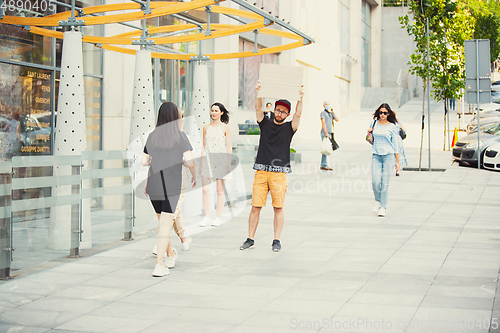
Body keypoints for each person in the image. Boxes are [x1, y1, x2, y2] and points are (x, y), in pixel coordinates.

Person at [240, 80, 304, 252]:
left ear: (287, 114)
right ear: (274, 109)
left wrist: (300, 97)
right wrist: (258, 92)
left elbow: (299, 114)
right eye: (278, 109)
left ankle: (276, 240)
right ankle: (250, 238)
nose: (279, 113)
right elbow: (257, 109)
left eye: (283, 112)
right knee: (255, 207)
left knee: (278, 207)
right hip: (261, 172)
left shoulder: (290, 127)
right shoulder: (265, 123)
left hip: (278, 174)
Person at [142, 101, 196, 277]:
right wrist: (193, 173)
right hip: (170, 185)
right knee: (165, 226)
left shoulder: (152, 136)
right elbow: (189, 161)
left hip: (153, 185)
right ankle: (159, 265)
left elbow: (144, 161)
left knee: (163, 225)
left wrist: (154, 160)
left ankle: (170, 254)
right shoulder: (180, 137)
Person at [199, 102, 232, 227]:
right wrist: (201, 161)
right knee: (205, 190)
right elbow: (203, 145)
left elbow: (228, 146)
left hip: (221, 160)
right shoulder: (206, 127)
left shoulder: (226, 128)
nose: (213, 113)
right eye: (212, 110)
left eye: (216, 111)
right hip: (207, 159)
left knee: (219, 190)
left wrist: (229, 162)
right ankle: (207, 216)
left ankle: (218, 216)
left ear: (221, 112)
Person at [367, 103, 400, 217]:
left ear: (388, 114)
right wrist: (369, 132)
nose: (382, 115)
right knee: (375, 181)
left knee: (384, 183)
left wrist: (397, 161)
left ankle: (383, 207)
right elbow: (370, 138)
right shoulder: (374, 123)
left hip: (389, 156)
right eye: (381, 112)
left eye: (385, 113)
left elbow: (395, 144)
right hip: (376, 154)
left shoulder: (392, 126)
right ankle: (377, 200)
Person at [320, 101, 339, 171]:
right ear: (324, 105)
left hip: (330, 133)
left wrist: (333, 112)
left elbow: (337, 120)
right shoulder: (323, 113)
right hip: (325, 133)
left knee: (327, 149)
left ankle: (323, 164)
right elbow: (323, 122)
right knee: (325, 149)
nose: (328, 106)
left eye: (328, 104)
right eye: (326, 105)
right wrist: (325, 132)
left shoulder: (330, 114)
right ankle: (324, 165)